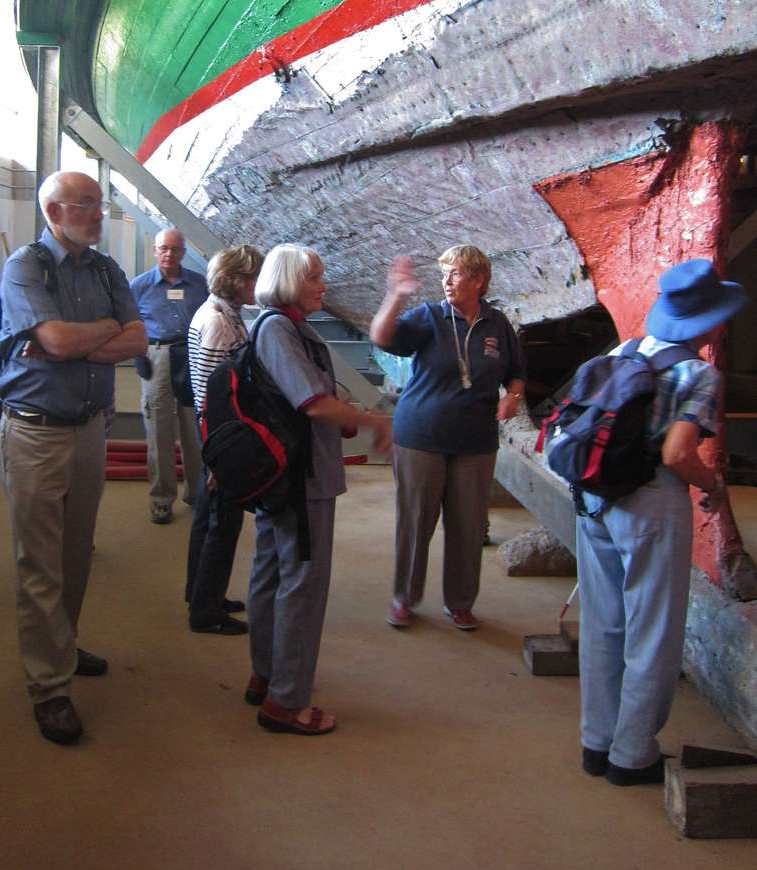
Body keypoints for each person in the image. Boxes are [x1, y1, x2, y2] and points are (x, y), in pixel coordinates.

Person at [577, 259, 748, 786]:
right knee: (652, 629)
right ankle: (632, 755)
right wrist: (713, 484)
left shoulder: (626, 351)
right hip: (650, 503)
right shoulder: (698, 373)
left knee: (603, 623)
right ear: (708, 321)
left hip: (595, 497)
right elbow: (677, 453)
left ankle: (596, 741)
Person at [0, 171, 146, 745]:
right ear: (55, 211)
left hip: (89, 428)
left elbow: (137, 339)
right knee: (40, 562)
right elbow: (54, 343)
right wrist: (96, 332)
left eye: (98, 205)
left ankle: (62, 642)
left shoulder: (106, 269)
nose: (97, 214)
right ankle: (49, 687)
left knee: (76, 551)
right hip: (35, 432)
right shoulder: (26, 266)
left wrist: (85, 335)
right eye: (87, 205)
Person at [245, 243, 391, 736]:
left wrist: (345, 417)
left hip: (285, 474)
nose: (324, 286)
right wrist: (369, 420)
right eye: (316, 279)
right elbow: (312, 403)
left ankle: (267, 674)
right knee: (303, 585)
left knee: (271, 572)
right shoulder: (280, 330)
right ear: (290, 281)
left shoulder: (286, 328)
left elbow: (318, 397)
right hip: (300, 478)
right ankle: (286, 702)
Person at [370, 247, 525, 631]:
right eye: (444, 274)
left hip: (475, 441)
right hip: (421, 436)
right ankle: (404, 598)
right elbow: (382, 337)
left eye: (455, 274)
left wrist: (513, 397)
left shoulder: (497, 325)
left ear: (478, 280)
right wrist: (396, 294)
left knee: (468, 526)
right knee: (416, 521)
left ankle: (460, 603)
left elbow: (517, 373)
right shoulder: (428, 317)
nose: (447, 281)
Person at [186, 244, 264, 635]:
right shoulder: (219, 322)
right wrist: (219, 457)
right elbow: (215, 395)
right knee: (222, 521)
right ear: (235, 280)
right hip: (222, 436)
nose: (259, 284)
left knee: (207, 516)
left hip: (217, 434)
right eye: (254, 277)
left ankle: (200, 592)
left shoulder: (222, 312)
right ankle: (206, 611)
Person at [131, 228, 208, 524]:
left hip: (191, 355)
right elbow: (130, 324)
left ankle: (197, 491)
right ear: (154, 250)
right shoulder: (138, 287)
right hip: (157, 355)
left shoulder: (200, 285)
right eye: (163, 248)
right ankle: (162, 498)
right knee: (158, 426)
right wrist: (140, 356)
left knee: (193, 424)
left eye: (175, 249)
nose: (169, 254)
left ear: (183, 252)